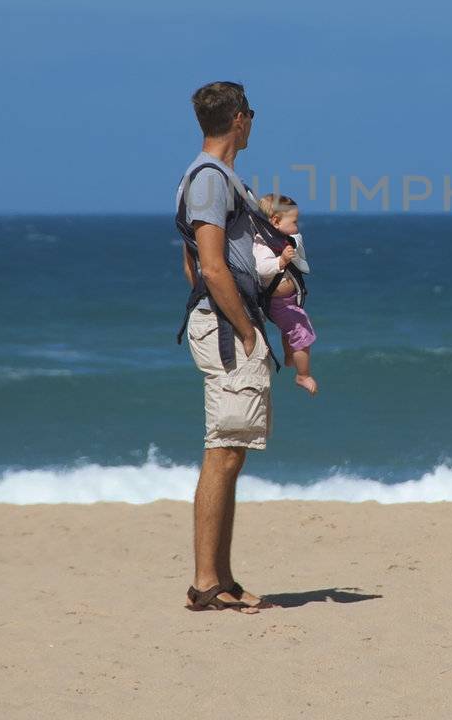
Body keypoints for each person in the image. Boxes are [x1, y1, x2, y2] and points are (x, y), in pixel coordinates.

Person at [174, 81, 277, 613]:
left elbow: (190, 261)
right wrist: (246, 329)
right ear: (239, 119)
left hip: (218, 320)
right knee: (223, 450)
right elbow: (210, 265)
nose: (253, 122)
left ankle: (223, 576)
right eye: (251, 114)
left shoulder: (212, 177)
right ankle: (206, 582)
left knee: (231, 451)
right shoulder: (212, 180)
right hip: (225, 327)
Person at [254, 194, 318, 394]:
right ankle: (303, 375)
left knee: (289, 330)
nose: (297, 226)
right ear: (275, 221)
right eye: (294, 221)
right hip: (278, 302)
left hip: (289, 299)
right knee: (302, 333)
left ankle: (289, 356)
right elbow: (262, 268)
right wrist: (280, 261)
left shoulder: (282, 238)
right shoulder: (262, 243)